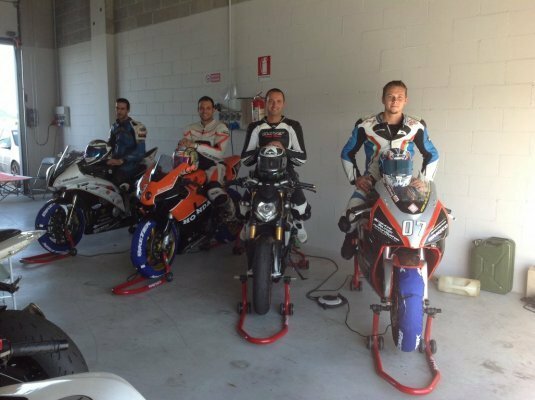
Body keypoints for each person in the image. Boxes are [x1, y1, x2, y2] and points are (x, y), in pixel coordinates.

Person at [340, 80, 439, 259]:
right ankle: (351, 237)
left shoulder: (416, 125)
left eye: (399, 97)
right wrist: (356, 179)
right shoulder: (365, 124)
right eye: (390, 96)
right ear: (383, 99)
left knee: (422, 218)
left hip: (405, 184)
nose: (395, 101)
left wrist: (423, 180)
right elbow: (347, 153)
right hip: (373, 181)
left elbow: (432, 154)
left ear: (406, 100)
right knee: (350, 216)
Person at [241, 88, 311, 243]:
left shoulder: (292, 125)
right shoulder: (255, 126)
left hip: (286, 172)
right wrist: (264, 149)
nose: (274, 105)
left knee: (300, 206)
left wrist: (284, 149)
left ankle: (299, 224)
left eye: (278, 101)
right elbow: (245, 159)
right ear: (265, 103)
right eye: (271, 101)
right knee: (244, 205)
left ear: (283, 104)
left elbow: (302, 158)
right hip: (260, 173)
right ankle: (246, 224)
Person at [177, 95, 235, 221]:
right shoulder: (190, 128)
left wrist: (195, 145)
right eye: (201, 108)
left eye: (208, 108)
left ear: (213, 110)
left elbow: (219, 153)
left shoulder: (221, 128)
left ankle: (230, 214)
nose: (205, 111)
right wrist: (182, 146)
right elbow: (185, 151)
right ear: (198, 110)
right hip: (193, 168)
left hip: (214, 166)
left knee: (214, 191)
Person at [107, 97, 147, 189]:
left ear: (128, 110)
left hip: (130, 166)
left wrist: (122, 160)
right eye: (117, 108)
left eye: (122, 109)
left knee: (114, 186)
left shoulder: (138, 127)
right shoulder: (114, 126)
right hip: (115, 164)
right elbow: (109, 146)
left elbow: (141, 152)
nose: (119, 111)